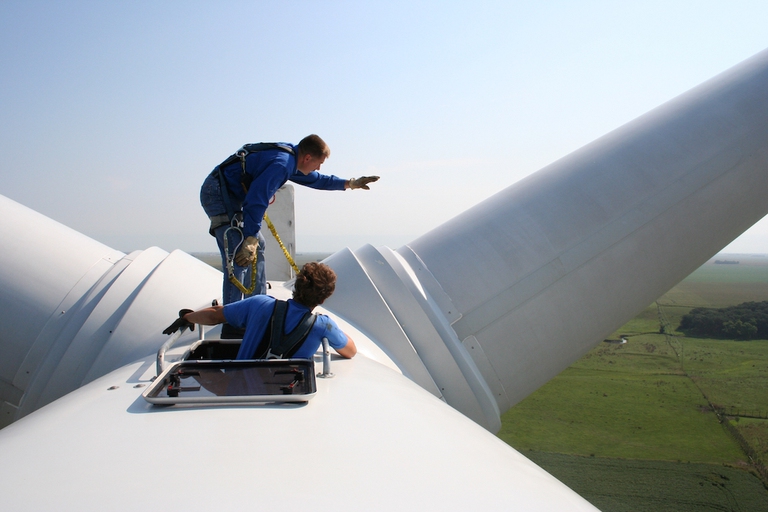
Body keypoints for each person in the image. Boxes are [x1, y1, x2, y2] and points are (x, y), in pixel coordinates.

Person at [200, 134, 379, 306]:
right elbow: (256, 200)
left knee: (258, 246)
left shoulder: (291, 159)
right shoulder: (281, 164)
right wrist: (250, 236)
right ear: (307, 158)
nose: (318, 168)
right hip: (218, 195)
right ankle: (232, 316)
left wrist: (349, 183)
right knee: (239, 254)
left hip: (229, 196)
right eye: (319, 163)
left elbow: (316, 180)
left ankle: (257, 304)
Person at [163, 262, 357, 360]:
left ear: (296, 286)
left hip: (240, 388)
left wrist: (187, 317)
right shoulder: (323, 325)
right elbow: (351, 351)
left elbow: (215, 315)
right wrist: (332, 329)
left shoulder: (259, 304)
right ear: (322, 299)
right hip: (285, 397)